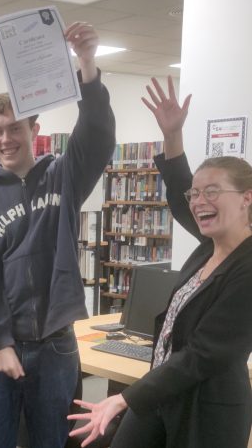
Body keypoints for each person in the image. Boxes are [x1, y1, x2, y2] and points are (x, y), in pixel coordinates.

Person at [67, 77, 252, 448]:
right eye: (197, 193)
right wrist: (172, 135)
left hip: (206, 408)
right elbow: (182, 196)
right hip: (163, 391)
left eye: (213, 191)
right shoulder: (208, 246)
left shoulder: (247, 267)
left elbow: (204, 353)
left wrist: (124, 397)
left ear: (247, 198)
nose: (200, 201)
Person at [0, 22, 116, 448]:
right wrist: (3, 343)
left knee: (52, 442)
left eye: (14, 127)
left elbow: (98, 136)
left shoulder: (64, 177)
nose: (6, 139)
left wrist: (86, 63)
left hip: (56, 344)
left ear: (34, 128)